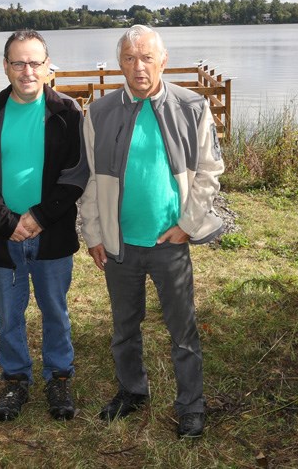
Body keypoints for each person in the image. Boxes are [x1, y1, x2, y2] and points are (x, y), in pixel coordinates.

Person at [80, 24, 224, 439]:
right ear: (121, 63)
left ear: (163, 59)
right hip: (119, 242)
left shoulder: (191, 106)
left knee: (182, 330)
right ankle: (131, 390)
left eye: (147, 57)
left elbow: (209, 172)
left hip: (169, 243)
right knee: (124, 326)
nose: (138, 67)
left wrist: (186, 225)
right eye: (129, 58)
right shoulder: (100, 113)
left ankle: (191, 405)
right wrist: (93, 232)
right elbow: (89, 178)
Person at [0, 30, 88, 422]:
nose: (27, 71)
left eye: (35, 62)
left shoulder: (68, 113)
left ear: (48, 67)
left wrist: (37, 218)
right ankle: (16, 379)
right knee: (8, 314)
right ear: (5, 67)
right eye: (18, 62)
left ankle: (59, 377)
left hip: (51, 234)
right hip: (2, 238)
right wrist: (8, 223)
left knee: (55, 309)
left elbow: (75, 175)